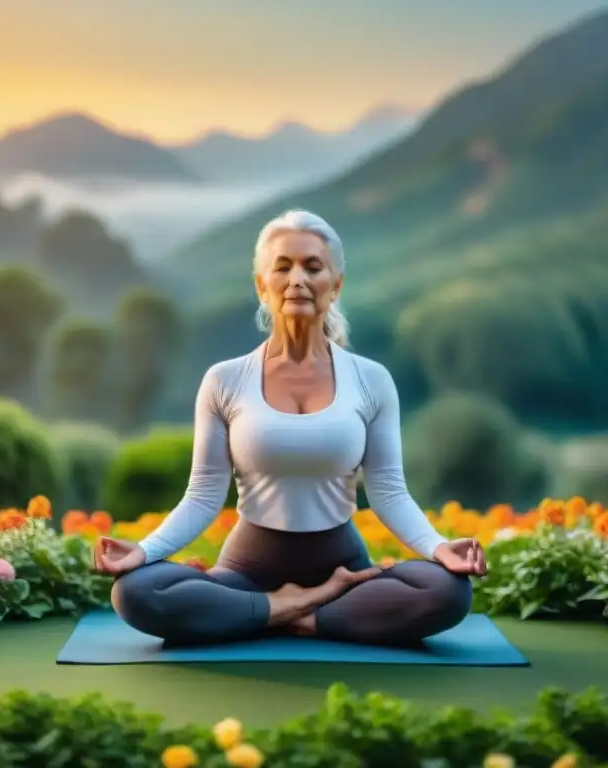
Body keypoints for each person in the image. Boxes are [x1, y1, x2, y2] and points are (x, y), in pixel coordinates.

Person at [92, 209, 488, 647]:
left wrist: (438, 547)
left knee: (449, 591)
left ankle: (280, 617)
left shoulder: (371, 380)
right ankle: (299, 607)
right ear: (262, 286)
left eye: (312, 267)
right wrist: (143, 551)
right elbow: (203, 494)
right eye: (283, 267)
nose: (297, 278)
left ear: (334, 286)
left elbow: (388, 490)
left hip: (344, 567)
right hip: (249, 571)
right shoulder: (225, 380)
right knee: (134, 592)